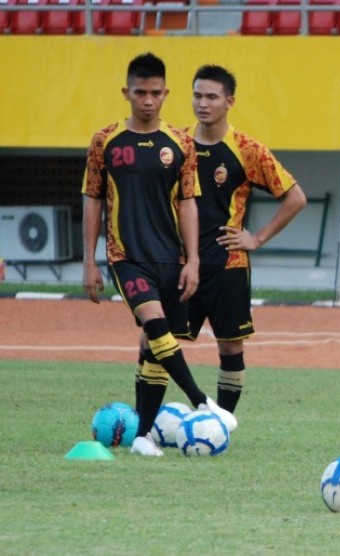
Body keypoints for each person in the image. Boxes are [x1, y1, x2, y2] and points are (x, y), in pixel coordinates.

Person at [82, 52, 237, 457]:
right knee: (155, 326)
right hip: (126, 256)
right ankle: (203, 401)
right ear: (126, 93)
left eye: (155, 93)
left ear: (166, 93)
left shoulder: (180, 142)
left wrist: (193, 260)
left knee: (153, 352)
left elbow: (188, 203)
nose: (148, 100)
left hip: (170, 259)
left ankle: (141, 437)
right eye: (140, 92)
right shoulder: (105, 141)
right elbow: (93, 199)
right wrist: (89, 260)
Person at [181, 64, 307, 413]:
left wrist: (258, 238)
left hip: (227, 265)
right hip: (181, 264)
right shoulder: (176, 145)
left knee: (230, 349)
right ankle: (146, 425)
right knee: (155, 340)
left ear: (229, 101)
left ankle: (221, 423)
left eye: (211, 97)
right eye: (197, 95)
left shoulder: (247, 150)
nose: (202, 103)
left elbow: (295, 197)